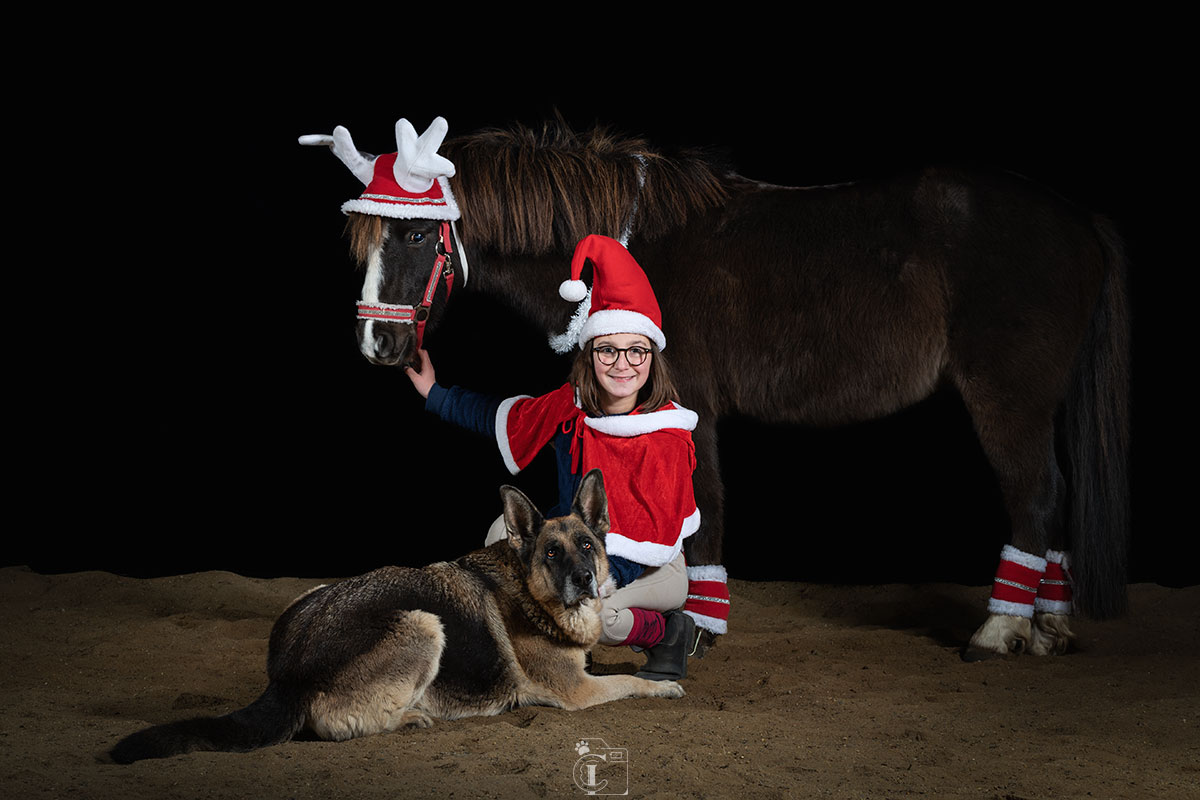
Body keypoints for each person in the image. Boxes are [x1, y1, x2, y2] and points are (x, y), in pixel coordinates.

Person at [404, 234, 701, 680]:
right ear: (591, 354)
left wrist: (584, 581)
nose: (623, 363)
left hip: (651, 564)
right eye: (607, 349)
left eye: (636, 349)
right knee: (498, 538)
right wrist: (435, 393)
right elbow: (505, 417)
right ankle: (543, 638)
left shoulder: (667, 438)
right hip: (580, 548)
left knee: (595, 614)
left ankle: (668, 632)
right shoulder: (572, 405)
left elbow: (648, 537)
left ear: (651, 358)